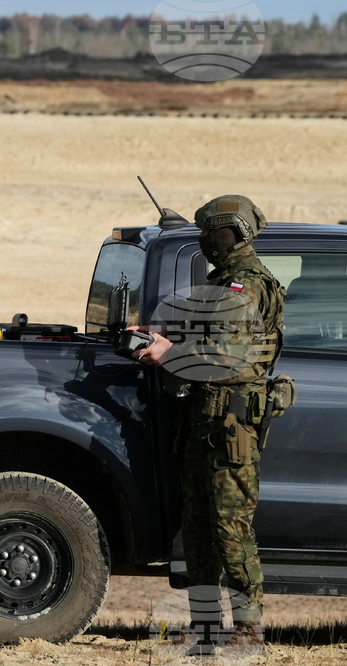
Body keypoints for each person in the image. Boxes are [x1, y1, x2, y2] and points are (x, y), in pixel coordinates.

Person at [132, 195, 284, 652]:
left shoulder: (245, 287)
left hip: (231, 426)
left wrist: (168, 353)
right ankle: (204, 628)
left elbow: (228, 361)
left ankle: (248, 630)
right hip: (205, 421)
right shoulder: (224, 283)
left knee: (229, 529)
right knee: (196, 529)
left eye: (210, 233)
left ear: (227, 234)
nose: (204, 242)